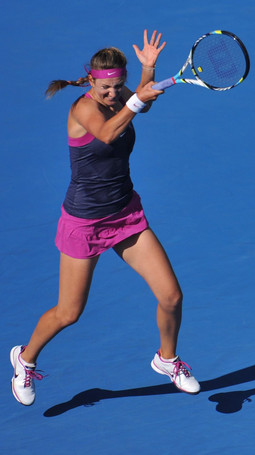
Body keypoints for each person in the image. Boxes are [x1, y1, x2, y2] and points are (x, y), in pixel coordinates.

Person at [10, 29, 200, 406]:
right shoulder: (83, 108)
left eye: (119, 87)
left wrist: (148, 71)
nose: (113, 94)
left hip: (125, 214)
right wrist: (135, 100)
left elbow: (140, 104)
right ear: (92, 81)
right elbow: (110, 133)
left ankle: (167, 359)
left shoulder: (122, 97)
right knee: (69, 312)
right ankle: (24, 358)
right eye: (106, 88)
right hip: (84, 223)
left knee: (172, 296)